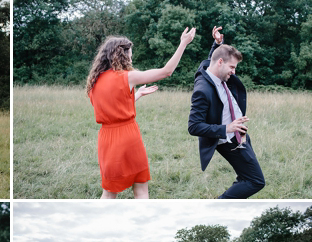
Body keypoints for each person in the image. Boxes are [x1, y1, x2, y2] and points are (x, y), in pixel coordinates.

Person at [87, 28, 196, 199]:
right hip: (128, 136)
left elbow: (112, 108)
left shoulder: (94, 81)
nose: (131, 58)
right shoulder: (127, 77)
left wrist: (136, 95)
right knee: (141, 190)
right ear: (121, 55)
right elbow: (166, 71)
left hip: (106, 140)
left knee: (108, 193)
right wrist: (183, 43)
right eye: (129, 54)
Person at [188, 26, 265, 198]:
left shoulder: (209, 68)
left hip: (240, 133)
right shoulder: (202, 90)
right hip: (228, 140)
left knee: (246, 177)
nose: (234, 72)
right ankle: (220, 204)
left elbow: (212, 59)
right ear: (221, 63)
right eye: (232, 67)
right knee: (255, 181)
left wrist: (217, 44)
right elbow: (193, 126)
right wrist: (226, 128)